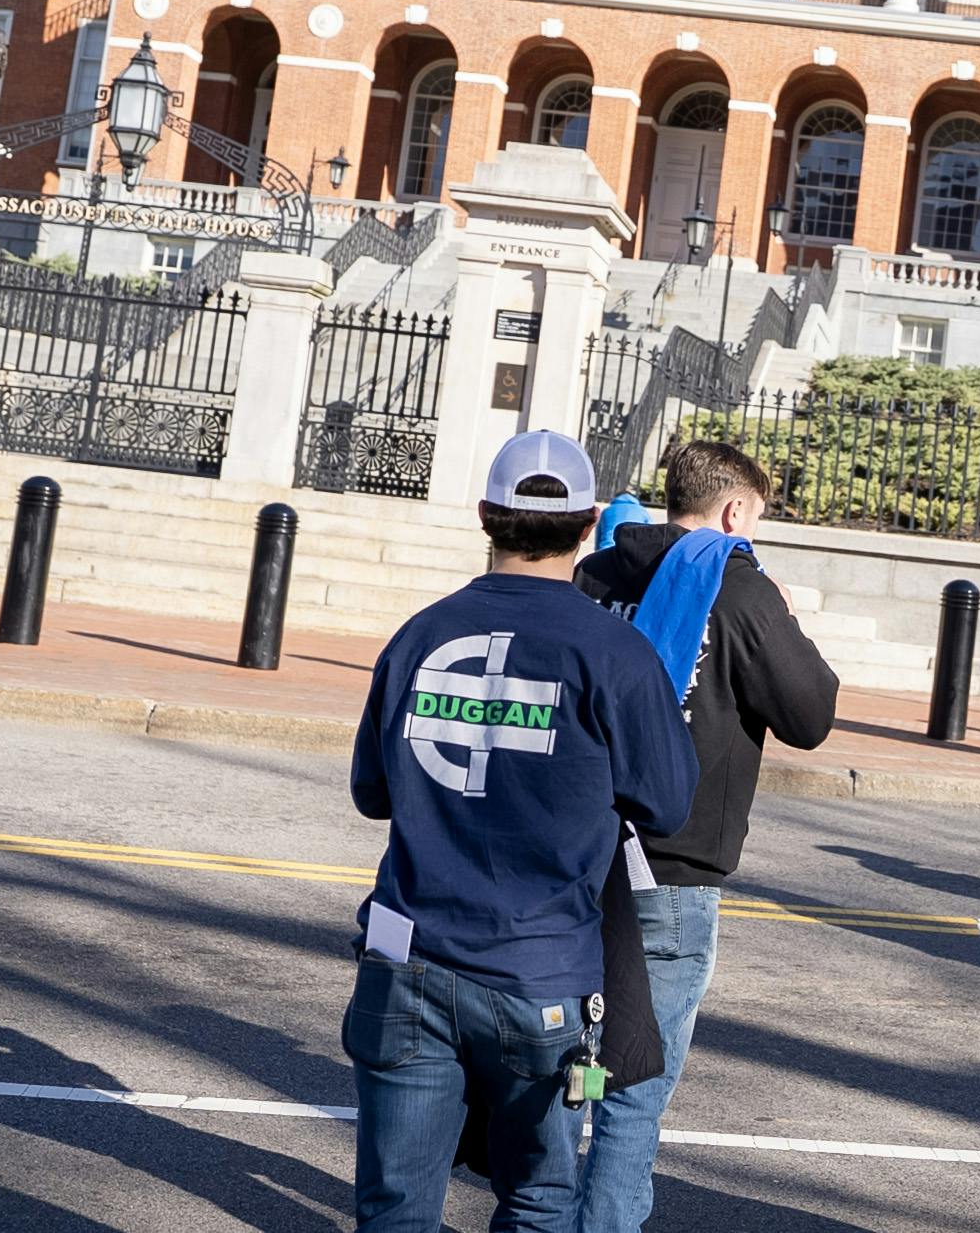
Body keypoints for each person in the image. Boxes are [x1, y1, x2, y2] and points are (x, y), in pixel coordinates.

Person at [344, 430, 700, 1233]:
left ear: (484, 517)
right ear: (589, 526)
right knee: (539, 1198)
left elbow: (372, 790)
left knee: (395, 1208)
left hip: (410, 958)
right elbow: (668, 805)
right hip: (541, 974)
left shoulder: (419, 635)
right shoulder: (615, 652)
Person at [570, 439, 842, 1233]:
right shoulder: (739, 584)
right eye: (755, 518)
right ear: (732, 510)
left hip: (577, 853)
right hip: (673, 869)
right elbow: (811, 713)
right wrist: (782, 616)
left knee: (571, 1063)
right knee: (632, 1082)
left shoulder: (601, 573)